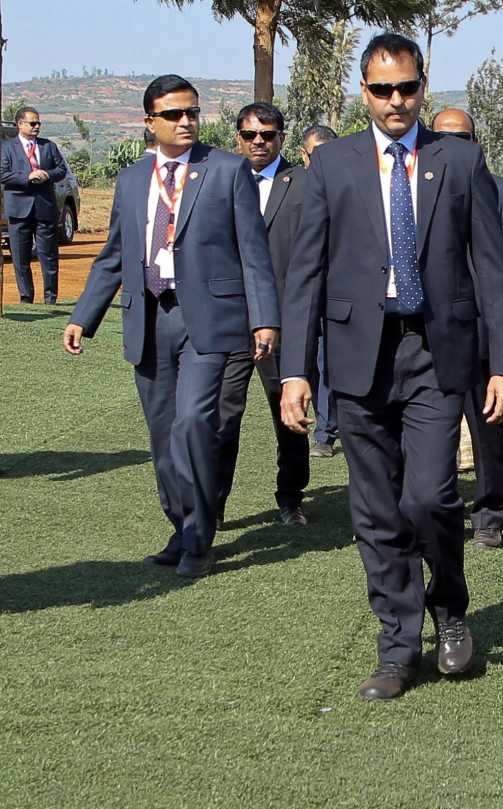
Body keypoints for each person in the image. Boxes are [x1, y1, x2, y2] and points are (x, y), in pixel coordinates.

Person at [278, 33, 503, 700]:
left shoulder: (459, 162)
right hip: (359, 358)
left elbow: (496, 275)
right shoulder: (331, 167)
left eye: (406, 88)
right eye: (382, 90)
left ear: (422, 87)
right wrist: (298, 371)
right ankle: (395, 645)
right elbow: (303, 278)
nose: (395, 101)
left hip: (435, 353)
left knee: (431, 496)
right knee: (377, 510)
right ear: (364, 92)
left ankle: (450, 609)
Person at [65, 75, 279, 579]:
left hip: (211, 322)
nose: (186, 122)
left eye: (192, 113)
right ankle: (181, 527)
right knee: (163, 437)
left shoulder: (226, 170)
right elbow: (116, 255)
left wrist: (265, 319)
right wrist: (83, 317)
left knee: (192, 425)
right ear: (150, 123)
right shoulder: (134, 179)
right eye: (174, 115)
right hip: (148, 321)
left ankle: (200, 538)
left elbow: (255, 254)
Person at [430, 107, 503, 551]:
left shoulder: (500, 191)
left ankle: (490, 513)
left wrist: (501, 349)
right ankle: (435, 511)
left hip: (480, 337)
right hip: (428, 334)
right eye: (442, 137)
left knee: (486, 433)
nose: (452, 146)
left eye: (462, 138)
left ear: (477, 142)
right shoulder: (411, 188)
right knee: (430, 431)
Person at [213, 102, 312, 527]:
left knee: (289, 416)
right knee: (221, 418)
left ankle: (291, 498)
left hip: (286, 323)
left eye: (267, 135)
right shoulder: (217, 181)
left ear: (281, 138)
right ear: (237, 137)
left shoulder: (306, 184)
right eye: (249, 135)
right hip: (230, 323)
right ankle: (212, 505)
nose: (258, 142)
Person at [300, 123, 340, 459]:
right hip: (301, 295)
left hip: (338, 295)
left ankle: (325, 431)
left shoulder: (349, 188)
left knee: (328, 362)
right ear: (304, 156)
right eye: (316, 155)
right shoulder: (292, 191)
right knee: (306, 361)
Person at [2, 108, 66, 304]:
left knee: (49, 256)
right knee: (20, 259)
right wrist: (27, 177)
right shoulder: (7, 147)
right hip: (18, 210)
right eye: (32, 123)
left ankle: (50, 299)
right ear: (20, 124)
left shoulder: (49, 146)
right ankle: (26, 298)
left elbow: (61, 169)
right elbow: (3, 174)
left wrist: (47, 174)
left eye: (38, 123)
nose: (37, 126)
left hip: (45, 208)